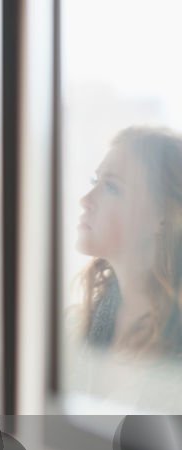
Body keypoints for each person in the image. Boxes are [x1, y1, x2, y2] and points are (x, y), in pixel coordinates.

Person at [75, 126, 182, 356]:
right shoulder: (92, 317)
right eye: (95, 181)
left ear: (161, 217)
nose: (85, 200)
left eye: (112, 187)